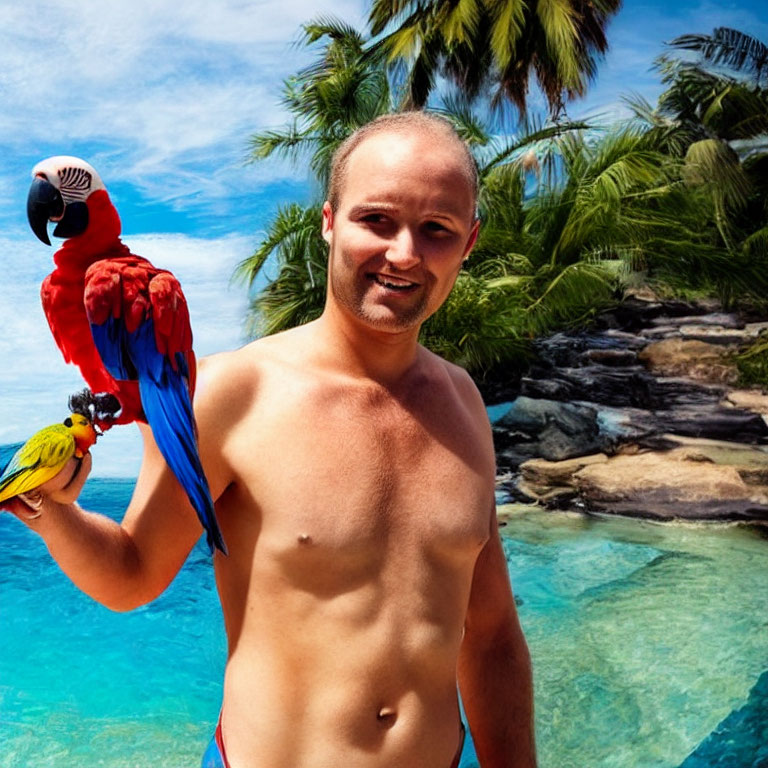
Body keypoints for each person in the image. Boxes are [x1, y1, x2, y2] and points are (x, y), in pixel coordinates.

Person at [2, 112, 536, 768]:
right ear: (330, 221)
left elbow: (489, 636)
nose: (404, 254)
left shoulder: (464, 407)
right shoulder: (231, 394)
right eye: (376, 220)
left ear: (469, 242)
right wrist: (52, 512)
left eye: (437, 230)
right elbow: (133, 574)